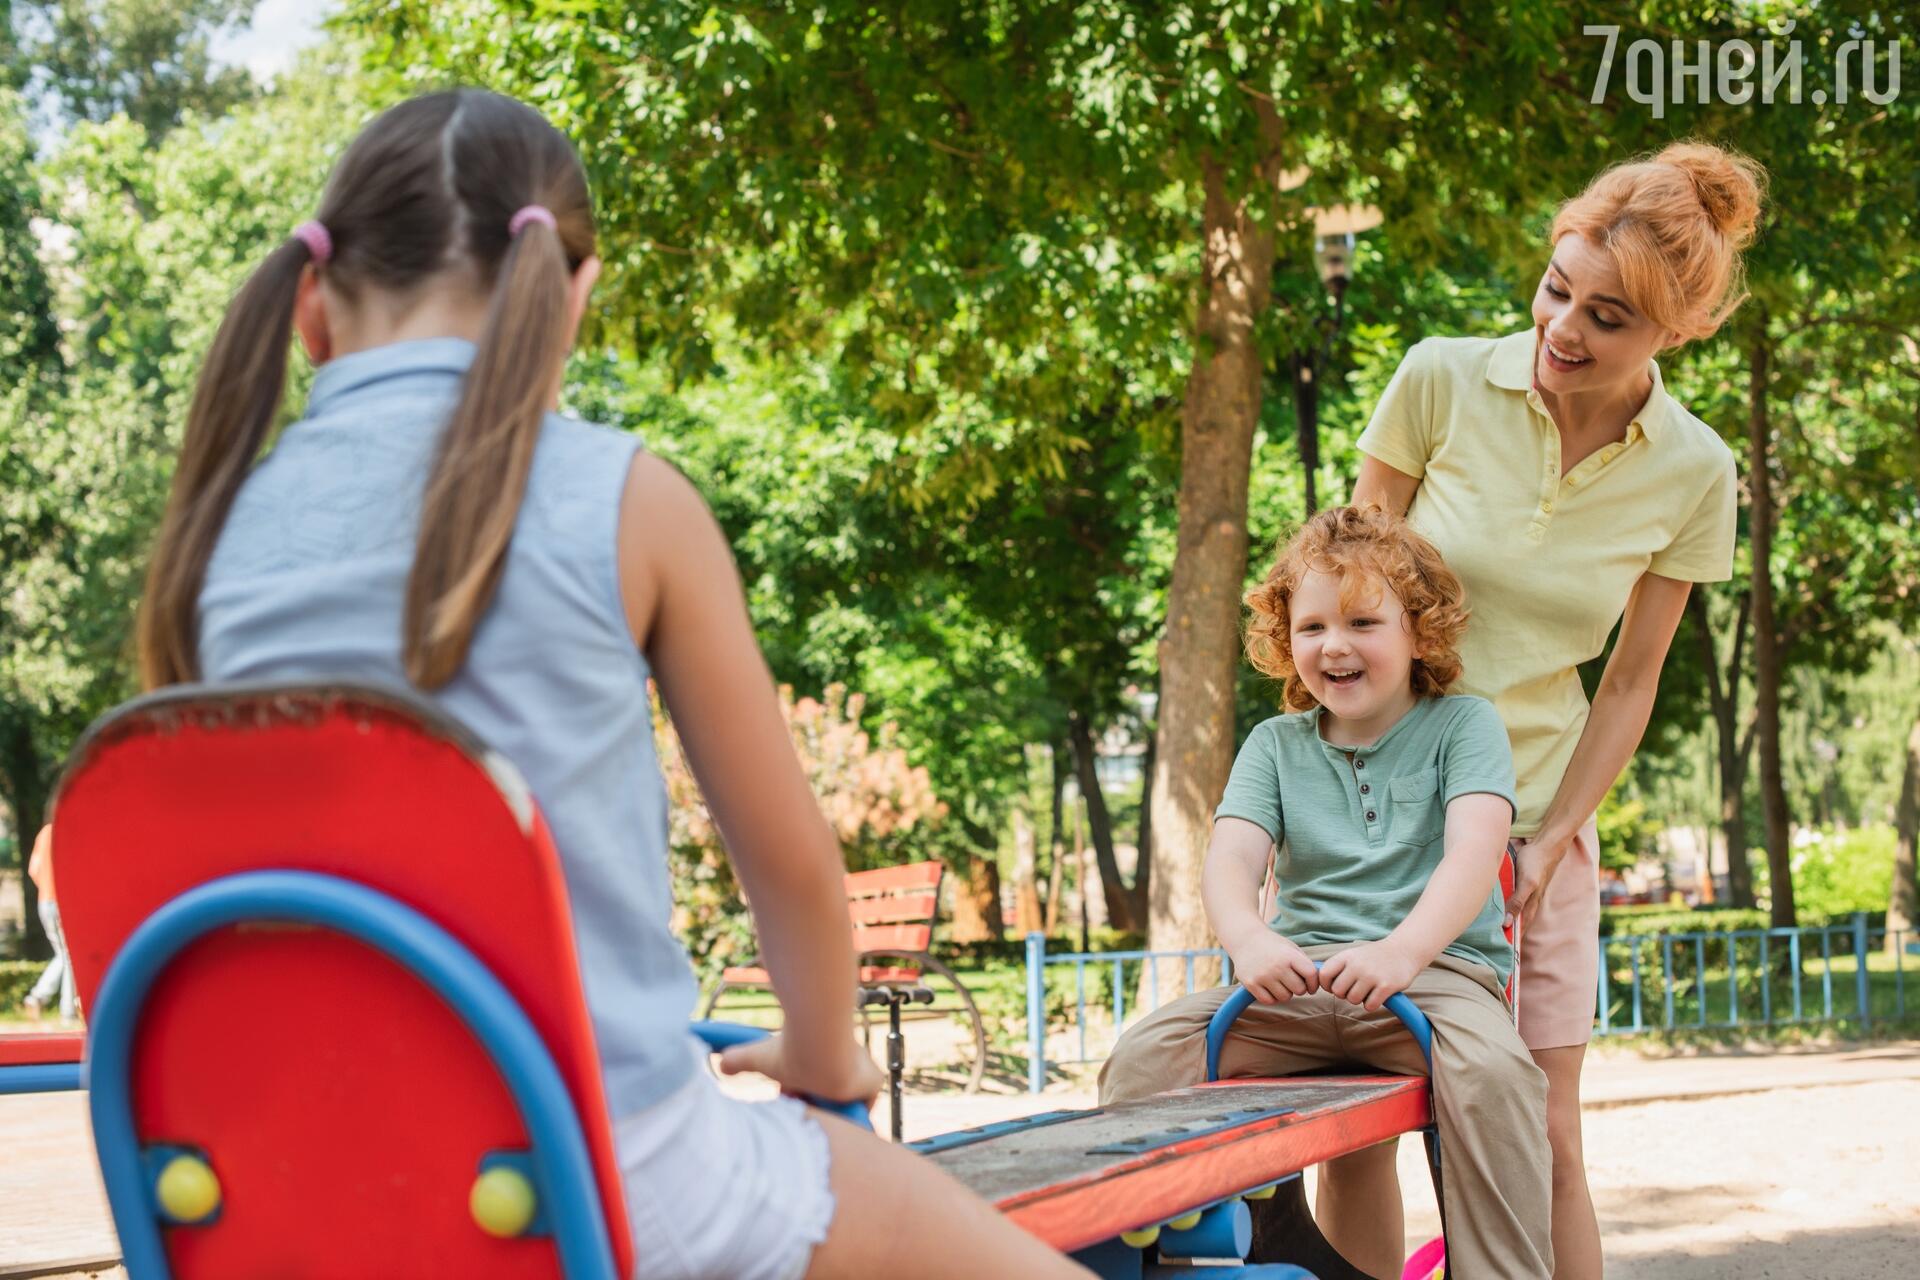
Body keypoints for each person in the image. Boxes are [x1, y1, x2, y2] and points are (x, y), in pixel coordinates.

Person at [132, 89, 1089, 1280]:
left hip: (278, 1193)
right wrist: (824, 1054)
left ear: (313, 311)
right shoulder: (627, 497)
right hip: (586, 1174)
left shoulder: (210, 537)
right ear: (568, 298)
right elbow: (787, 862)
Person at [1339, 140, 1762, 1277]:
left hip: (1533, 837)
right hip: (1375, 819)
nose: (1563, 328)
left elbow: (1630, 677)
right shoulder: (1438, 376)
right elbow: (1342, 592)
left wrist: (1555, 833)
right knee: (1361, 1128)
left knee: (1545, 1129)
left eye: (1607, 315)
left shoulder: (1694, 469)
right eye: (1556, 287)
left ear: (1672, 331)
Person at [1099, 504, 1553, 1279]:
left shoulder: (1464, 727)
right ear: (1287, 642)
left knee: (1497, 1077)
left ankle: (1502, 1272)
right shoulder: (1275, 745)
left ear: (1420, 633)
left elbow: (1473, 855)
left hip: (1434, 986)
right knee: (1149, 1052)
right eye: (1311, 628)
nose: (1334, 645)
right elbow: (1233, 858)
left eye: (1362, 622)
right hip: (1297, 989)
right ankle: (1153, 1257)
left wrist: (1403, 952)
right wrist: (1249, 941)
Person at [23, 822, 76, 1022]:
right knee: (70, 955)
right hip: (64, 901)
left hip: (44, 901)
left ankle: (38, 996)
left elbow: (33, 869)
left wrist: (46, 887)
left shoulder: (45, 832)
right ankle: (68, 1012)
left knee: (63, 954)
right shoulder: (69, 829)